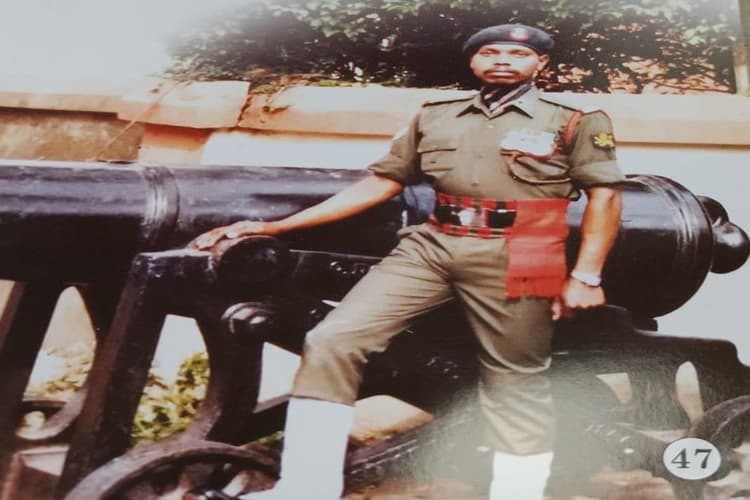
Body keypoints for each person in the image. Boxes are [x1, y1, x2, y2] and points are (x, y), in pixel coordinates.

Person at [195, 23, 624, 500]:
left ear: (540, 63)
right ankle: (306, 488)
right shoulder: (436, 116)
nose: (502, 60)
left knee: (514, 378)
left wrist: (586, 275)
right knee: (333, 340)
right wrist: (277, 227)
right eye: (490, 52)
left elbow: (605, 198)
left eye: (517, 54)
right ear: (473, 61)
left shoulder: (574, 120)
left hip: (521, 251)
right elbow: (382, 182)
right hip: (432, 246)